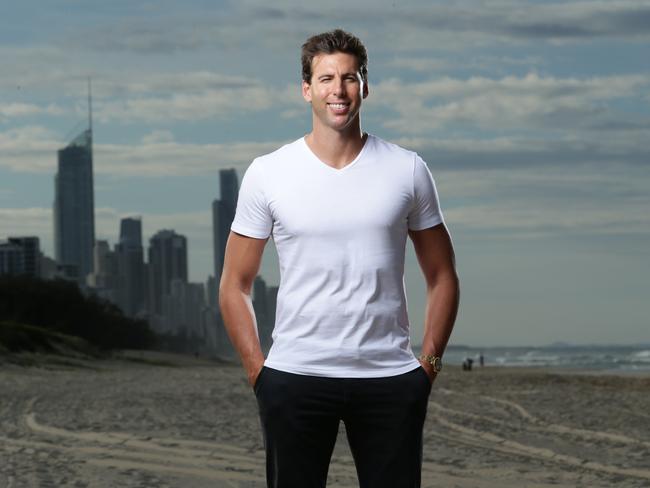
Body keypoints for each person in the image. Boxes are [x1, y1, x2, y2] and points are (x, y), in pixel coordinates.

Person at [219, 29, 459, 488]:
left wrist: (427, 368)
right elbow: (235, 283)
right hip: (295, 376)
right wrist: (259, 373)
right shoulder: (269, 173)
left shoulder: (406, 168)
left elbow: (442, 275)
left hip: (390, 378)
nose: (339, 90)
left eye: (349, 78)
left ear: (365, 86)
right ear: (306, 89)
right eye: (326, 78)